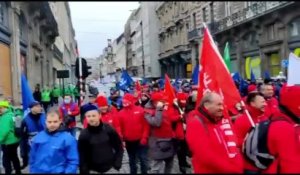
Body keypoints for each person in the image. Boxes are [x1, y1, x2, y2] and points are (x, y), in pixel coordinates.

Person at [235, 91, 300, 173]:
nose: (265, 104)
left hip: (267, 165)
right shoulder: (242, 120)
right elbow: (236, 140)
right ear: (252, 103)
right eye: (262, 102)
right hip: (250, 166)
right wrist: (249, 140)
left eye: (265, 101)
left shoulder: (266, 118)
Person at [186, 92, 243, 173]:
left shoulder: (216, 120)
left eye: (222, 105)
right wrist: (231, 168)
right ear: (206, 105)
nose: (222, 108)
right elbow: (205, 155)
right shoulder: (195, 123)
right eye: (219, 104)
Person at [29, 108, 79, 173]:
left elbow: (73, 161)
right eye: (49, 122)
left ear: (60, 121)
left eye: (55, 121)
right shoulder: (38, 137)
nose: (52, 124)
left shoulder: (68, 139)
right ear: (45, 121)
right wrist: (33, 170)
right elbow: (32, 157)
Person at [78, 104, 123, 174]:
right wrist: (84, 170)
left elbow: (119, 147)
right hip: (93, 170)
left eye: (93, 115)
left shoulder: (108, 128)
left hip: (110, 168)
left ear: (99, 115)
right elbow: (82, 155)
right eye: (88, 116)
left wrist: (117, 163)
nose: (91, 118)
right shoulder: (84, 134)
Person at [144, 92, 179, 174]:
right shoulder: (147, 111)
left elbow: (170, 120)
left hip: (169, 140)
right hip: (157, 142)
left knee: (169, 164)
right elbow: (156, 123)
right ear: (155, 102)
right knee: (156, 167)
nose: (163, 103)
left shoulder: (165, 108)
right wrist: (159, 109)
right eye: (161, 101)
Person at [118, 93, 150, 174]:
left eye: (127, 101)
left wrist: (144, 137)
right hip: (129, 142)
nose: (125, 102)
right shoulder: (120, 113)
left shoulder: (140, 110)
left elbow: (146, 125)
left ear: (131, 101)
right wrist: (122, 140)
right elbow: (119, 128)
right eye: (124, 101)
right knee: (132, 160)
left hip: (141, 140)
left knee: (143, 159)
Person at [19, 101, 46, 170]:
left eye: (40, 106)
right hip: (32, 145)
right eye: (37, 106)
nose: (39, 108)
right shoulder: (25, 120)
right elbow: (22, 136)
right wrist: (23, 151)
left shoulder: (44, 116)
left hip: (45, 143)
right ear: (31, 108)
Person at [0, 101, 21, 174]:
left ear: (4, 108)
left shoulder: (5, 117)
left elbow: (3, 131)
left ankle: (8, 172)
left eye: (0, 108)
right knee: (14, 157)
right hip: (15, 140)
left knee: (6, 160)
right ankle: (18, 171)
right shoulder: (12, 114)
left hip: (7, 142)